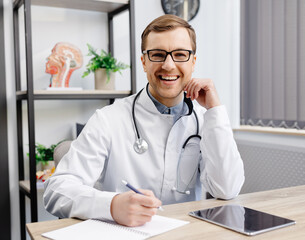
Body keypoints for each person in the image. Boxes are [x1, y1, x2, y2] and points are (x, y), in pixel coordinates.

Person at [44, 14, 244, 227]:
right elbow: (57, 190)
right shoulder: (108, 119)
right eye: (158, 54)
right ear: (144, 62)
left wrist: (215, 110)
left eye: (180, 54)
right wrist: (111, 205)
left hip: (187, 233)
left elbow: (227, 189)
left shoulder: (206, 120)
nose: (168, 65)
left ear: (193, 62)